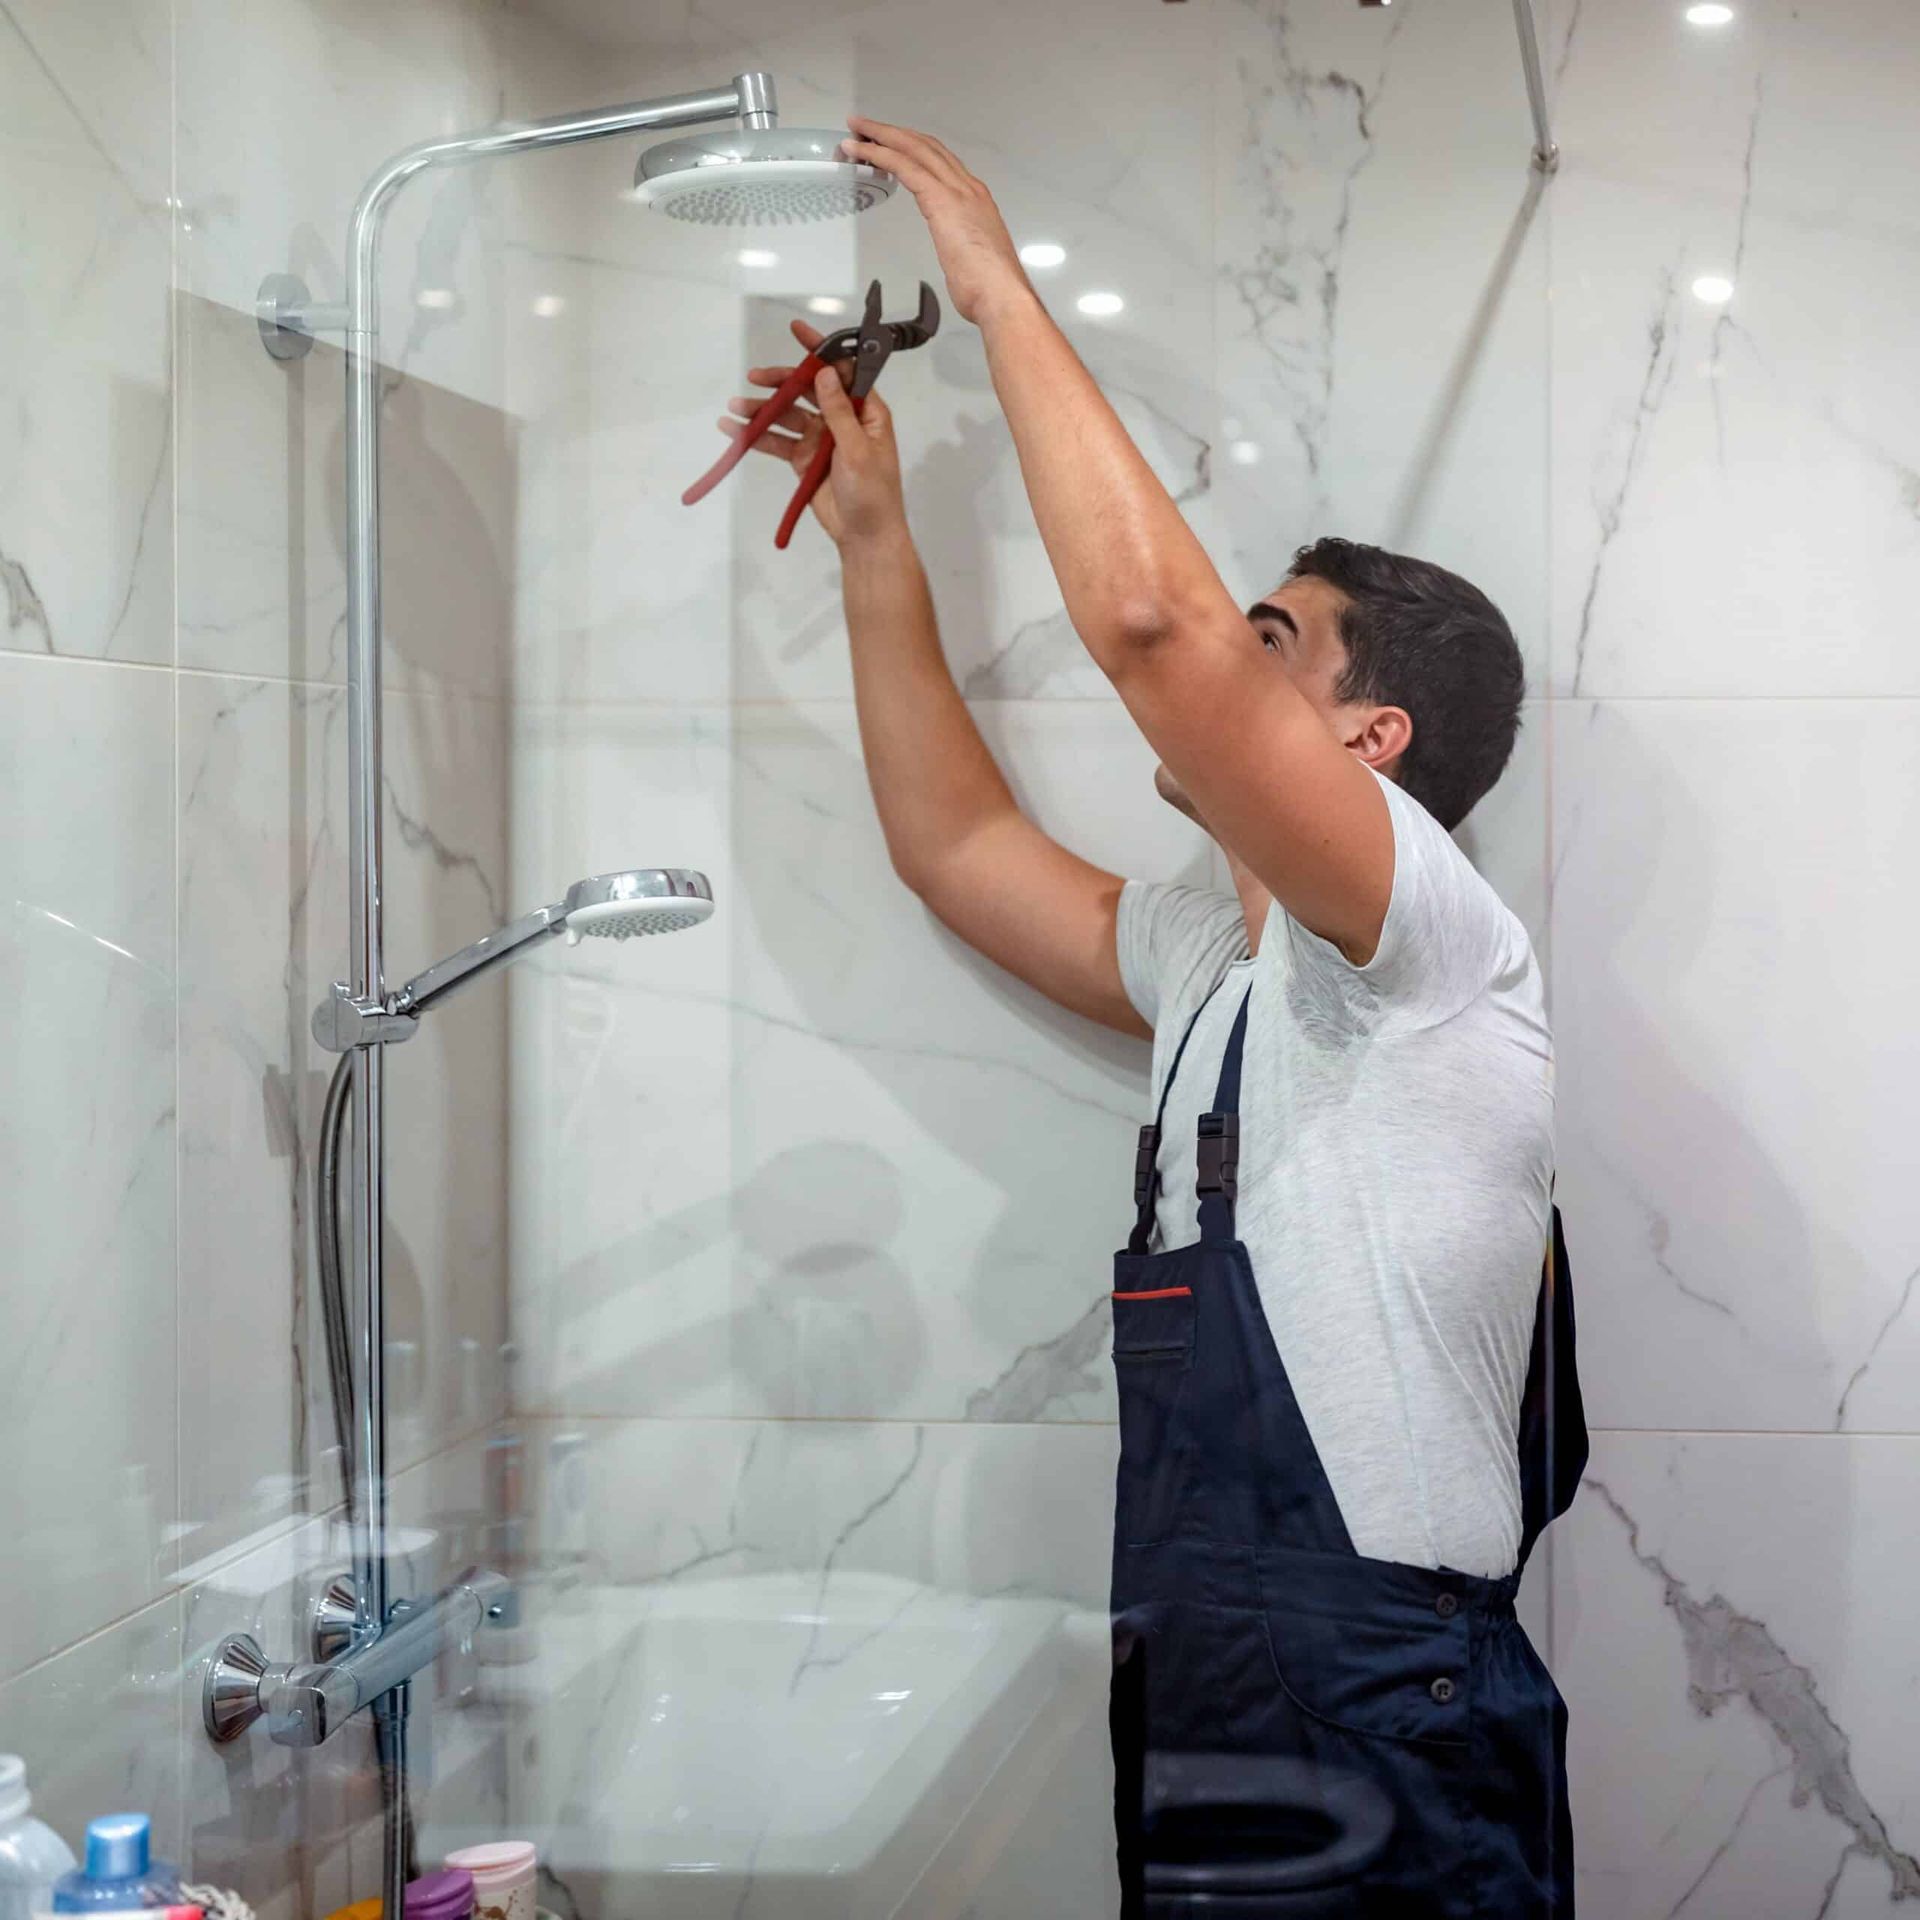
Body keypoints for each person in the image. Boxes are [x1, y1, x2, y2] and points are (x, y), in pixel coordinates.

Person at [716, 116, 1584, 1917]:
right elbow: (958, 849)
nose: (1220, 673)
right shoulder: (1220, 961)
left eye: (1273, 646)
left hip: (1378, 1704)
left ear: (1369, 745)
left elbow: (1150, 633)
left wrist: (992, 285)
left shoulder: (1427, 944)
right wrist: (874, 536)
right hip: (1215, 1679)